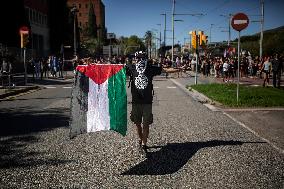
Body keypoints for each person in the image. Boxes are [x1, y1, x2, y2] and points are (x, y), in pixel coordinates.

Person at [125, 51, 162, 154]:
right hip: (135, 102)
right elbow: (117, 70)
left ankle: (144, 144)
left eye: (141, 57)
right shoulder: (131, 67)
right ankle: (141, 139)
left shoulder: (150, 68)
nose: (139, 60)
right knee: (137, 124)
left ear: (145, 58)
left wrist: (180, 69)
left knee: (145, 124)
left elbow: (164, 70)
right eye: (137, 58)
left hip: (147, 102)